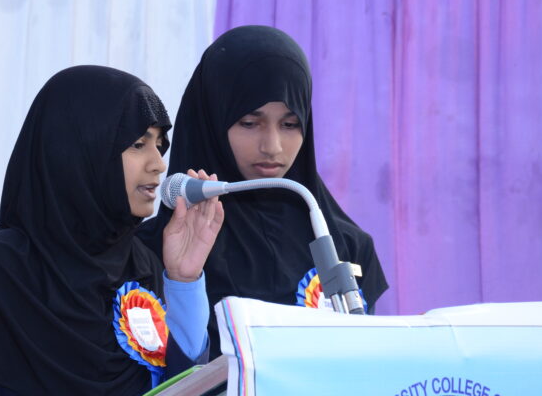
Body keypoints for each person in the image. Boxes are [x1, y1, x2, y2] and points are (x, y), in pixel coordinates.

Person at [0, 66, 224, 395]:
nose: (159, 163)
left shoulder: (142, 267)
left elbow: (182, 385)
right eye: (137, 144)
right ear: (78, 148)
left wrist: (184, 279)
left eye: (159, 144)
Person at [138, 25, 389, 356]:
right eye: (249, 123)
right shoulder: (150, 253)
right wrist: (183, 280)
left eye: (289, 124)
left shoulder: (346, 247)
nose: (272, 147)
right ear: (210, 120)